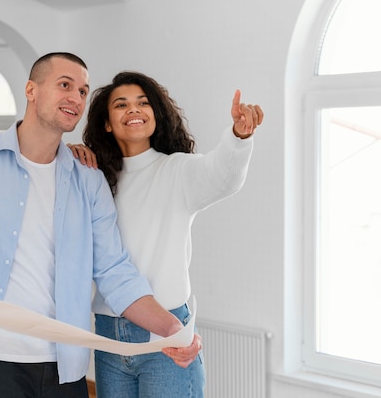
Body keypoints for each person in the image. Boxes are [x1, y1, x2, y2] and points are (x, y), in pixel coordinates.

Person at [0, 54, 201, 398]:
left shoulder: (88, 179)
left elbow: (114, 271)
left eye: (82, 91)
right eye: (64, 85)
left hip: (65, 366)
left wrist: (171, 327)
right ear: (31, 90)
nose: (75, 98)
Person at [69, 71, 263, 398]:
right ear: (106, 123)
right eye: (121, 105)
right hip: (108, 333)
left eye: (143, 103)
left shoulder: (176, 170)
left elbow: (224, 176)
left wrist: (239, 136)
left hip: (166, 334)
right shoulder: (93, 177)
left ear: (156, 115)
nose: (133, 110)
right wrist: (69, 154)